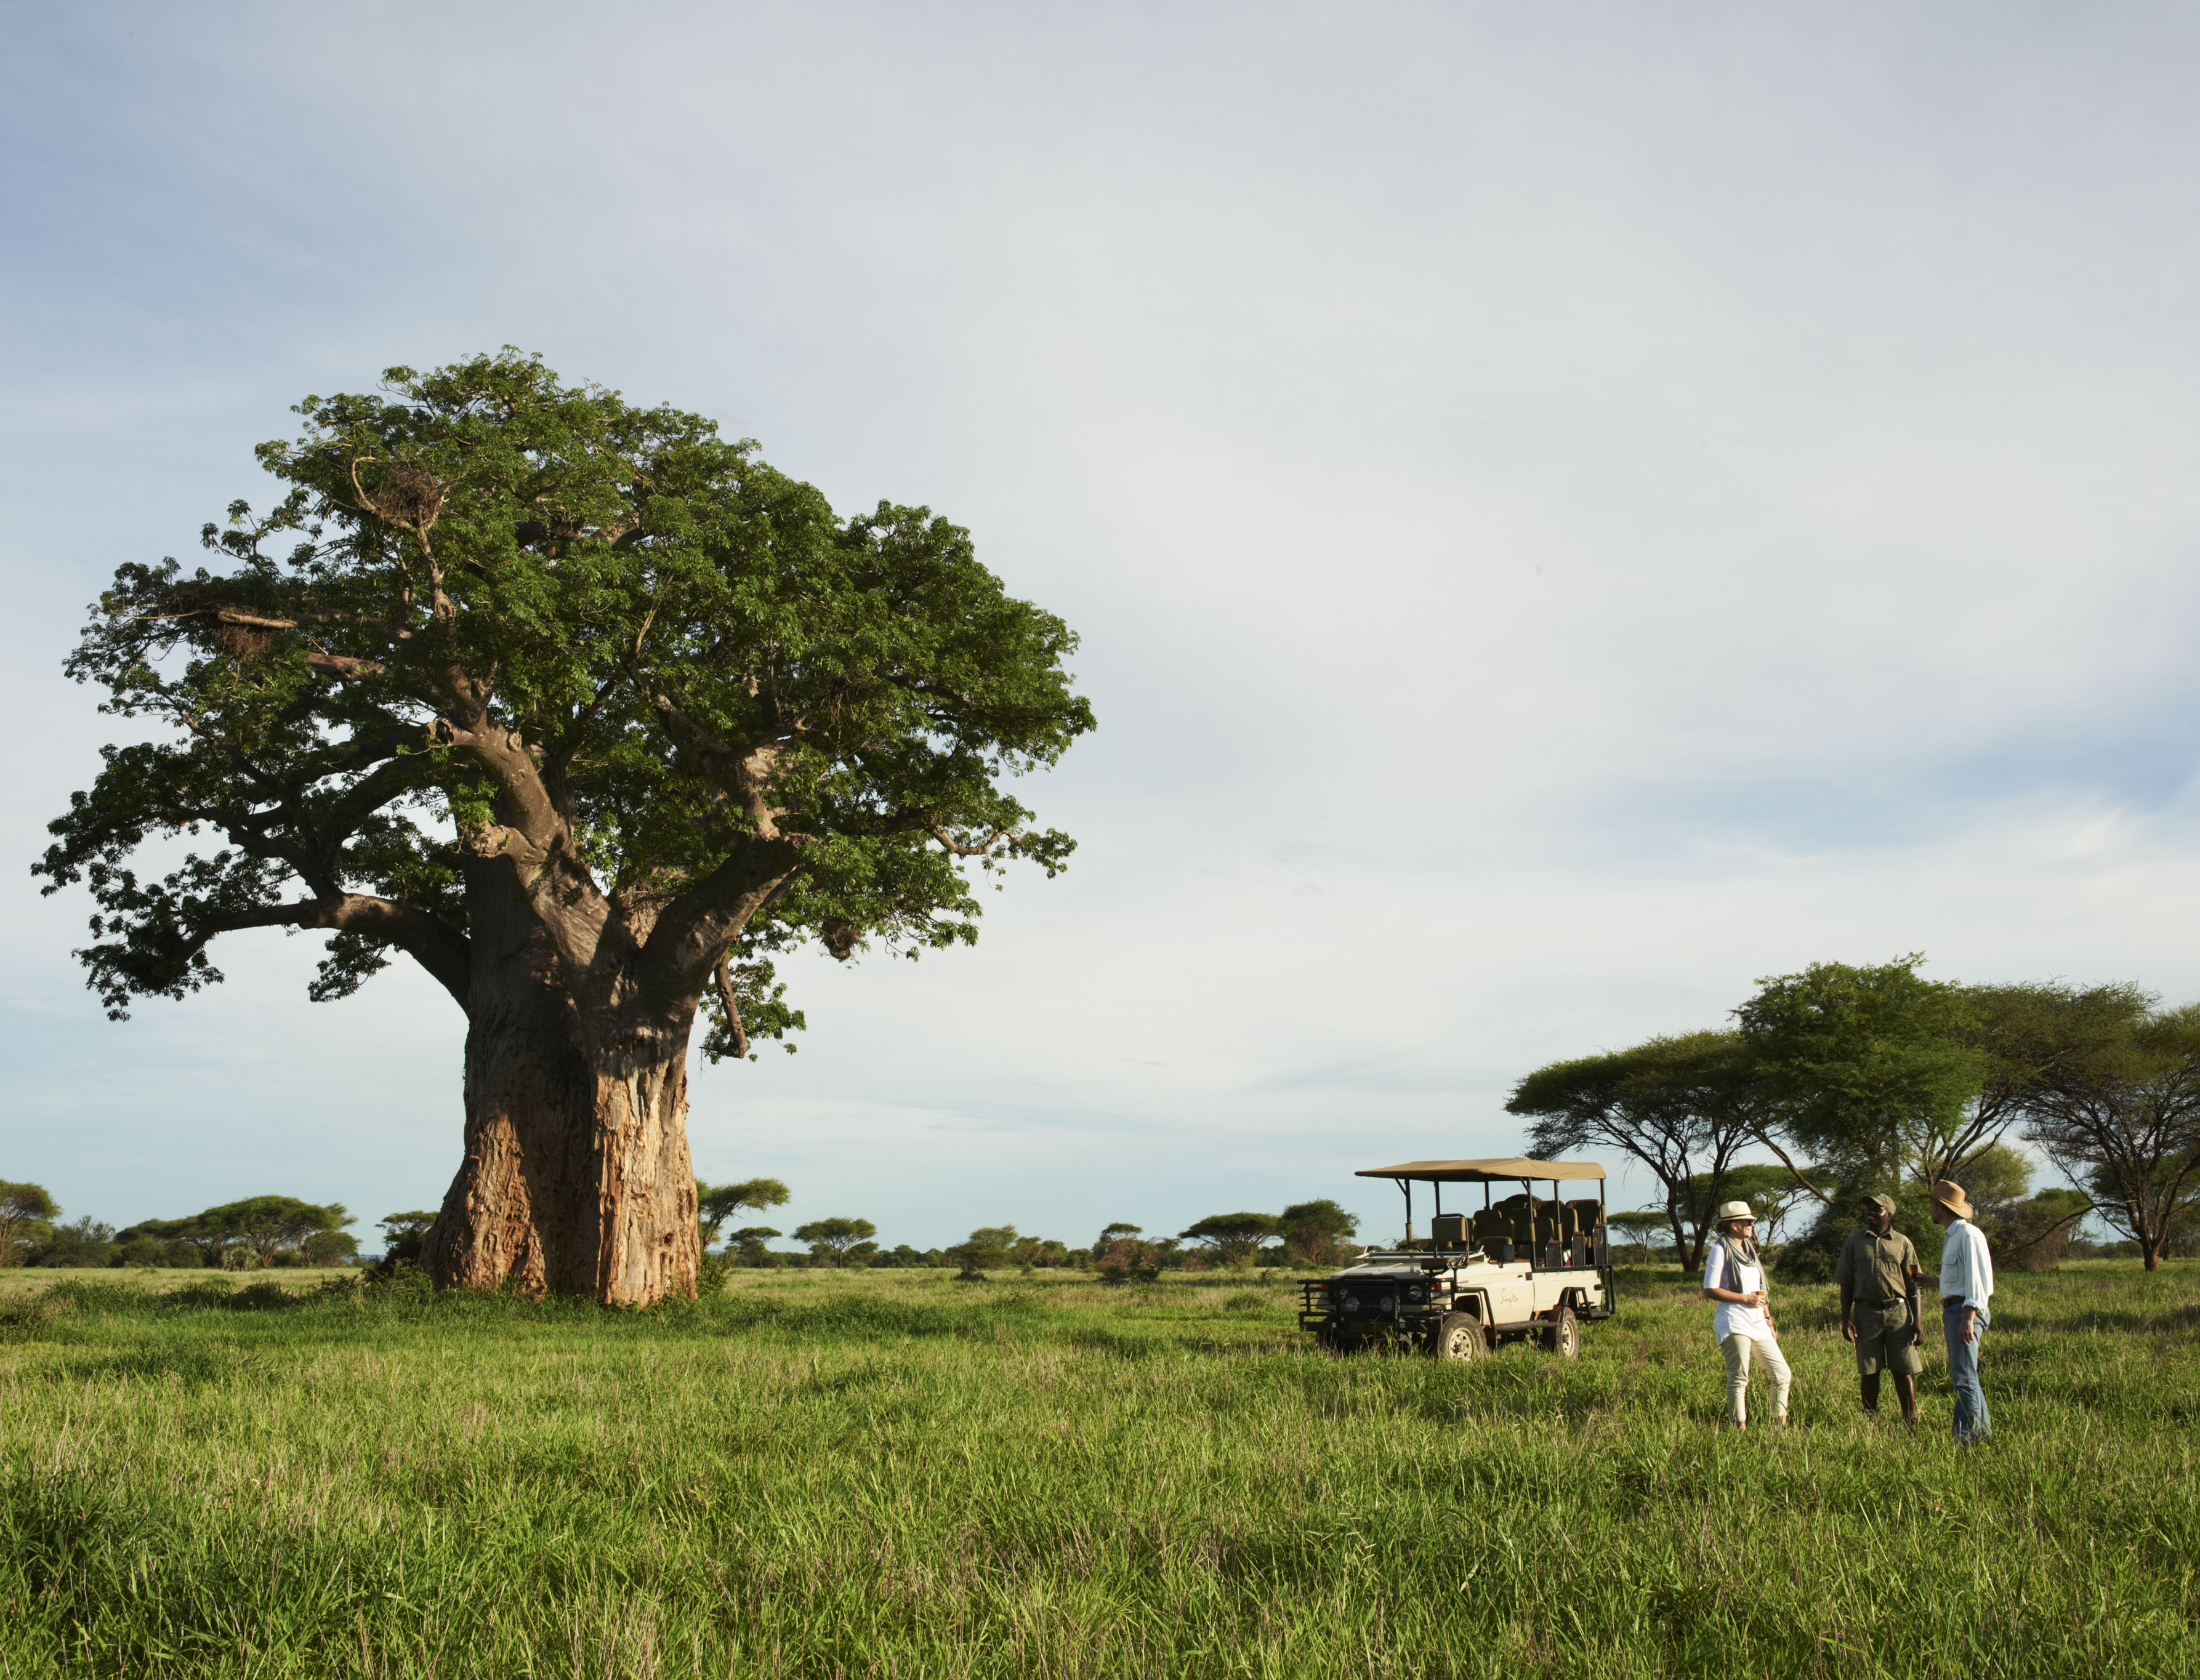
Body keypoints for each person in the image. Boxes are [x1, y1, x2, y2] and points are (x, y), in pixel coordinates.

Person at [1835, 1192, 1925, 1425]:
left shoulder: (1904, 1243)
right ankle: (1870, 1421)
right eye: (1869, 1208)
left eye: (1878, 1209)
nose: (1871, 1212)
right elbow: (1846, 1282)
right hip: (1866, 1314)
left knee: (1903, 1369)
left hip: (1898, 1313)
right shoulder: (1853, 1242)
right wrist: (1846, 1319)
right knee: (1869, 1370)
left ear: (1890, 1215)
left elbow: (1915, 1284)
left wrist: (1918, 1322)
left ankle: (1910, 1420)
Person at [1700, 1200, 1789, 1430]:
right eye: (1748, 1221)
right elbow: (1709, 1289)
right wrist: (1745, 1299)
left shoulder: (1750, 1251)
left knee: (1782, 1374)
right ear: (1734, 1226)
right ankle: (1738, 1428)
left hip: (1757, 1320)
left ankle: (1778, 1426)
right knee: (1740, 1377)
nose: (1752, 1225)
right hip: (1734, 1321)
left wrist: (1768, 1318)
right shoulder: (1719, 1250)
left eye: (1752, 1221)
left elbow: (1759, 1290)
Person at [1930, 1178, 1995, 1444]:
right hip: (1956, 1310)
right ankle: (1982, 1434)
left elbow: (1978, 1280)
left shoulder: (1967, 1235)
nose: (1930, 1210)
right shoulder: (1953, 1236)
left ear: (1942, 1207)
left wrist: (1969, 1317)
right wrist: (1932, 1281)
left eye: (1933, 1204)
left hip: (1964, 1312)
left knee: (1964, 1376)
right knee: (1966, 1375)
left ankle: (1969, 1437)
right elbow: (1958, 1280)